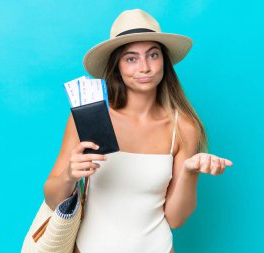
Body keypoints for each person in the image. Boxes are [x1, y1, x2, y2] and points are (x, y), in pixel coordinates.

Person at [43, 9, 233, 253]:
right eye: (131, 58)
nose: (144, 67)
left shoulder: (183, 127)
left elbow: (176, 219)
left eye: (152, 55)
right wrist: (70, 175)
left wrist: (189, 171)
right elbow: (53, 200)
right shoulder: (92, 118)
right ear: (117, 66)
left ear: (163, 60)